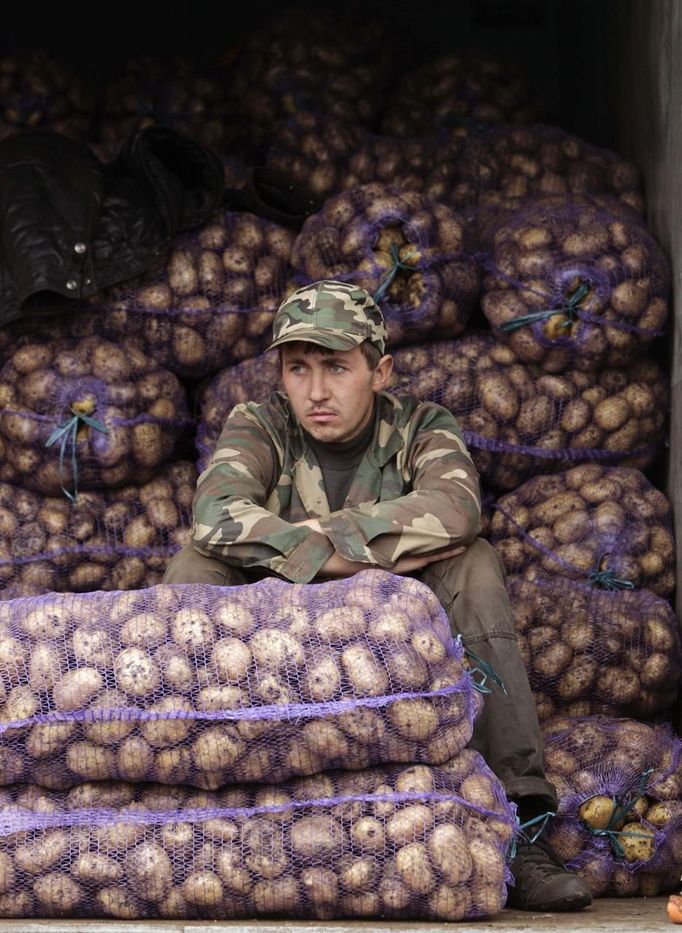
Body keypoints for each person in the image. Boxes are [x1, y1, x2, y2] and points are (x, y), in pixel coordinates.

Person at [165, 279, 592, 913]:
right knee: (193, 565)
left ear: (380, 369)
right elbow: (218, 517)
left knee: (472, 565)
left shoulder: (421, 427)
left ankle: (518, 824)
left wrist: (311, 541)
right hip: (274, 633)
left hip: (398, 636)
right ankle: (178, 796)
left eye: (336, 367)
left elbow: (454, 511)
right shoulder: (259, 424)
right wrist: (353, 552)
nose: (315, 390)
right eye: (298, 368)